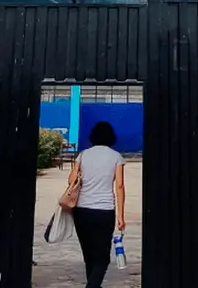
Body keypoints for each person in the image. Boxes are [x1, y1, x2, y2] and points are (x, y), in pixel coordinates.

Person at [67, 121, 126, 288]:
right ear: (111, 137)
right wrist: (120, 215)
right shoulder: (116, 157)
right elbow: (119, 186)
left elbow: (71, 181)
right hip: (104, 211)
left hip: (82, 211)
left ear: (93, 136)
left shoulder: (83, 155)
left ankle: (93, 284)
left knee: (89, 255)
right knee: (102, 258)